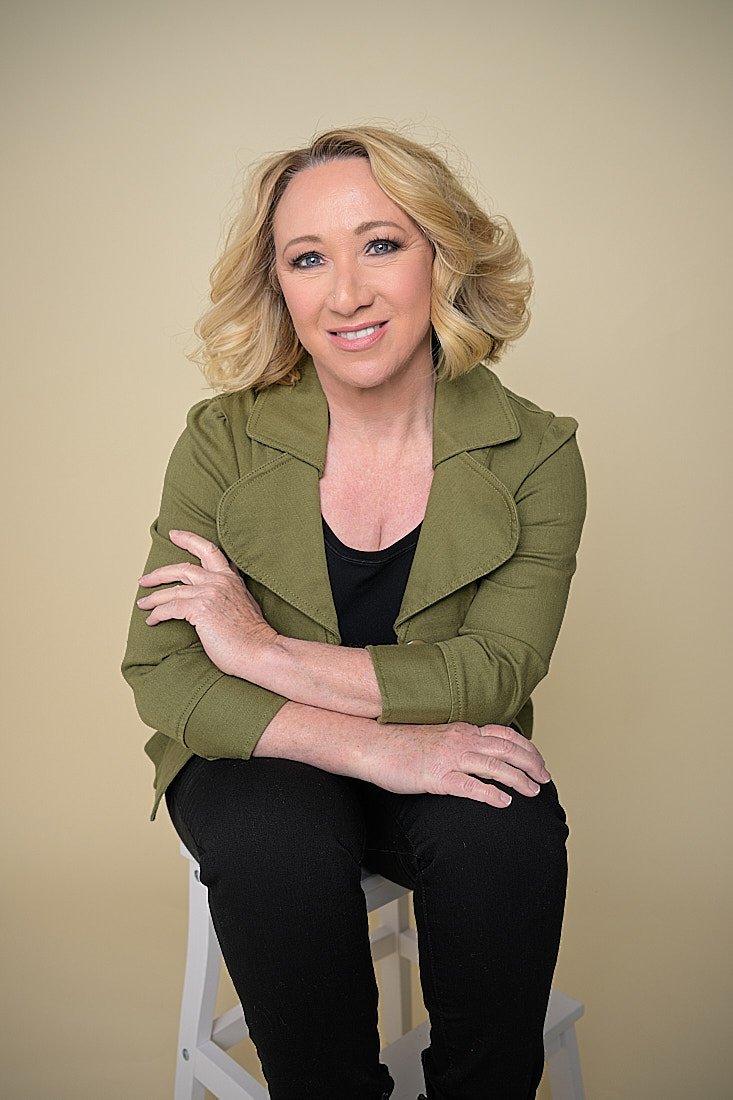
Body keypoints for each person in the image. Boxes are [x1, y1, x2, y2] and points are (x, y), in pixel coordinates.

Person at [122, 125, 586, 1100]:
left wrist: (255, 644)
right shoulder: (220, 439)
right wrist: (379, 746)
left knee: (505, 825)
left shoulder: (535, 450)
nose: (345, 293)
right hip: (260, 756)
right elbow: (165, 671)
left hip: (440, 743)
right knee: (274, 842)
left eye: (380, 243)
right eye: (307, 258)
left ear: (441, 257)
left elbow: (495, 669)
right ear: (280, 287)